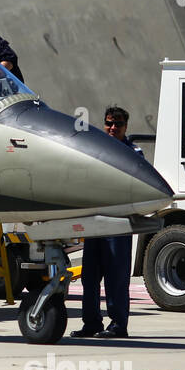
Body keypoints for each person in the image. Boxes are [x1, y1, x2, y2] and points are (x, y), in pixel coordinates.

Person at [70, 106, 144, 339]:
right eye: (109, 123)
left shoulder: (133, 152)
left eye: (118, 124)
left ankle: (118, 325)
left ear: (126, 127)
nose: (112, 128)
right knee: (89, 277)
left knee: (116, 277)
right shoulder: (96, 148)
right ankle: (91, 323)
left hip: (117, 225)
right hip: (95, 222)